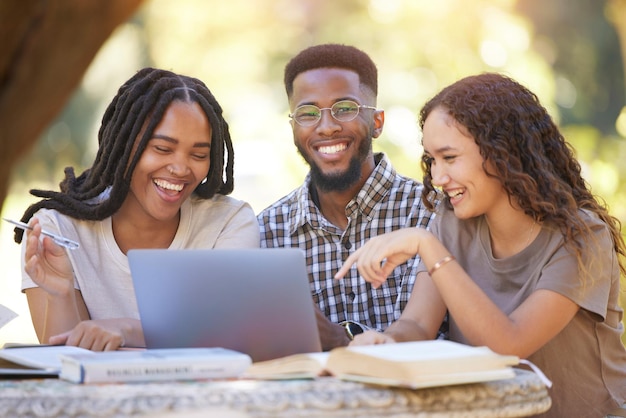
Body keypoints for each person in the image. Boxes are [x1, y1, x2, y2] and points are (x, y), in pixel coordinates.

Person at [335, 73, 626, 417]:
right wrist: (388, 343)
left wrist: (426, 245)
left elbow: (509, 344)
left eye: (450, 157)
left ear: (502, 152)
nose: (438, 178)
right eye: (432, 160)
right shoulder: (453, 222)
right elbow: (417, 325)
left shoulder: (582, 236)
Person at [14, 67, 260, 351]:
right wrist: (61, 294)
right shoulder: (56, 230)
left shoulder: (228, 224)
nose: (181, 169)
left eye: (199, 155)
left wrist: (128, 329)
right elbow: (68, 367)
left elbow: (231, 334)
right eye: (162, 149)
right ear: (124, 145)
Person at [257, 44, 436, 350]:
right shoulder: (266, 233)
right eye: (308, 113)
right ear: (293, 128)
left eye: (345, 109)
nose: (326, 127)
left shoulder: (430, 212)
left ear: (377, 123)